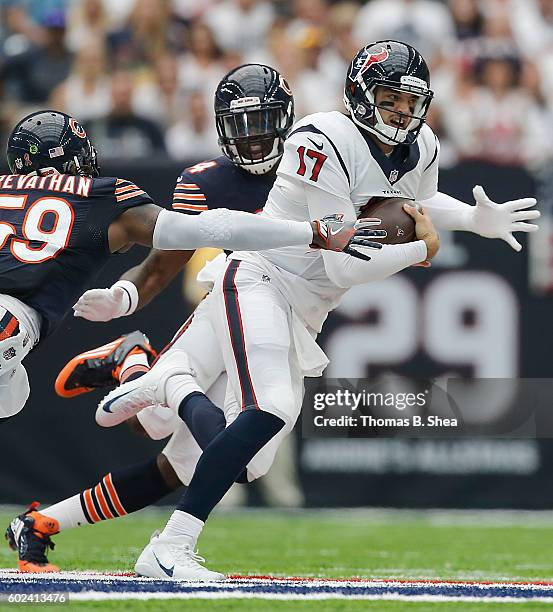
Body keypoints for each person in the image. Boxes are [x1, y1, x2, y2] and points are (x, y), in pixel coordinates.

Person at [99, 40, 538, 580]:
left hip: (304, 308)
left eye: (410, 101)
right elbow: (344, 265)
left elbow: (414, 206)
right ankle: (170, 546)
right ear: (359, 95)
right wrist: (420, 249)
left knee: (253, 461)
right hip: (263, 279)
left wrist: (474, 218)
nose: (402, 113)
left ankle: (154, 378)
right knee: (274, 407)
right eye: (389, 99)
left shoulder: (422, 142)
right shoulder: (323, 139)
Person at [4, 64, 379, 573]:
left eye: (263, 123)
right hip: (243, 294)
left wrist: (446, 224)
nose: (253, 139)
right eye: (241, 126)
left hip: (288, 315)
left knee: (179, 459)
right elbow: (169, 254)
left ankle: (43, 520)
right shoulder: (195, 181)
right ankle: (151, 375)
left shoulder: (320, 165)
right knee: (238, 453)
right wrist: (124, 297)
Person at [0, 108, 374, 424]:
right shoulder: (102, 195)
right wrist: (310, 231)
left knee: (161, 426)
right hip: (13, 322)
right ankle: (137, 367)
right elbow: (211, 227)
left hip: (13, 322)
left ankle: (137, 368)